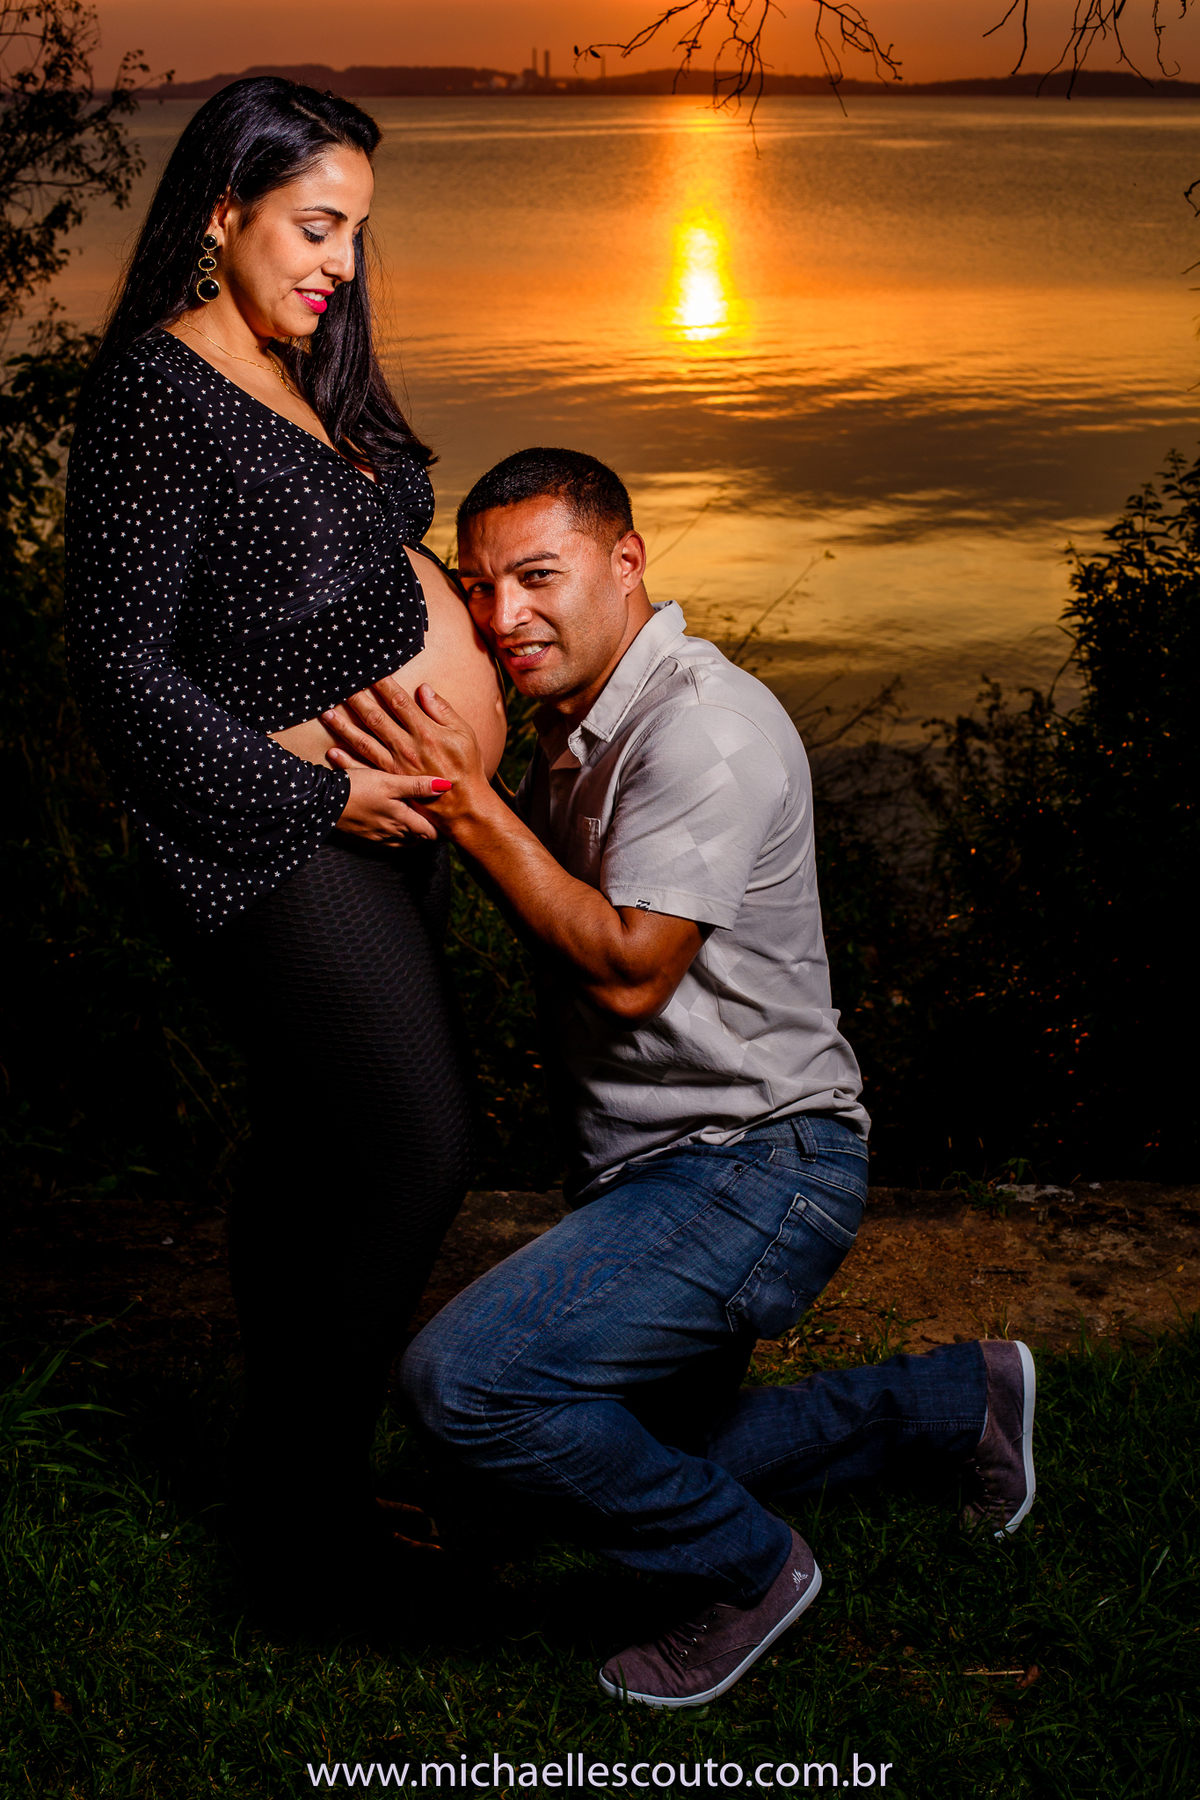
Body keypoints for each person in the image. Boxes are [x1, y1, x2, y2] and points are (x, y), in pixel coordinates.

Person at [322, 447, 1038, 1704]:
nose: (501, 616)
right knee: (618, 1453)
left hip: (758, 1166)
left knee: (466, 1390)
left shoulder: (703, 728)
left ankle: (750, 1572)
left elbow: (629, 971)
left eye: (537, 577)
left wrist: (474, 807)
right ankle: (955, 1402)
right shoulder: (574, 724)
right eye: (480, 586)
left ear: (626, 561)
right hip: (654, 1170)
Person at [64, 77, 506, 1609]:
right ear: (221, 210)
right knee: (420, 1144)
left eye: (358, 232)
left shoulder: (303, 368)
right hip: (268, 836)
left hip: (382, 826)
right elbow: (120, 670)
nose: (341, 263)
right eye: (317, 227)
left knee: (322, 1150)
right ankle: (309, 1530)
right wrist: (323, 798)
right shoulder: (157, 393)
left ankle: (293, 1492)